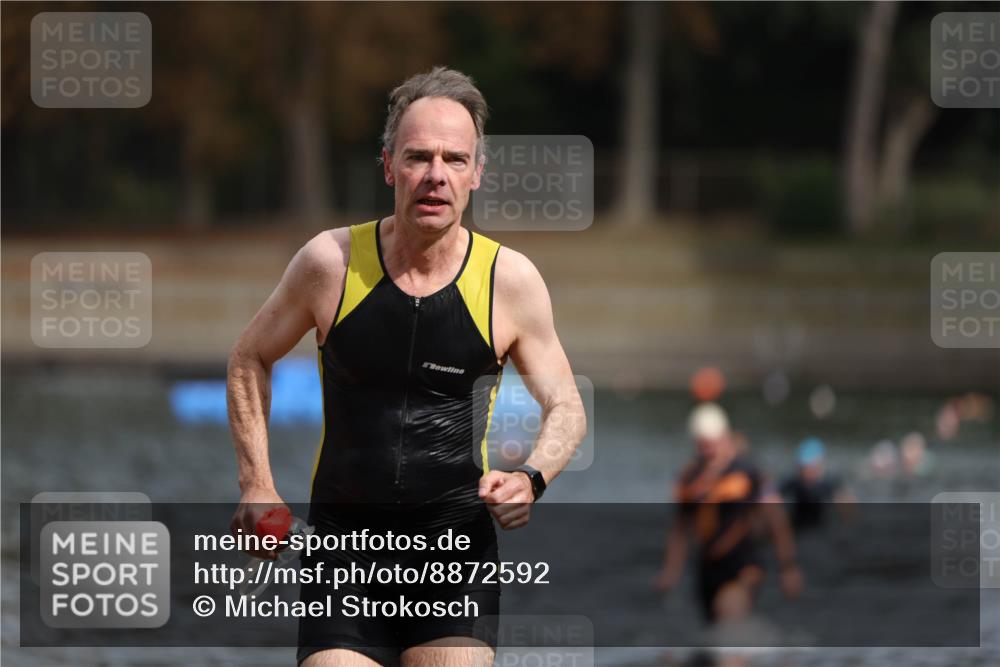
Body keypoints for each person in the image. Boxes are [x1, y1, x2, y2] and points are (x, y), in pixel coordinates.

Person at [227, 67, 586, 667]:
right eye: (419, 157)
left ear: (477, 174)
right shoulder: (330, 262)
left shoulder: (509, 281)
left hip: (455, 553)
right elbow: (249, 357)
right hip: (343, 553)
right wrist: (256, 481)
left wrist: (533, 478)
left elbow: (567, 406)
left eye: (454, 159)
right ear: (389, 166)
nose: (436, 176)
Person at [655, 403, 802, 624]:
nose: (709, 451)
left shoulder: (748, 472)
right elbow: (680, 528)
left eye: (713, 444)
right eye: (703, 445)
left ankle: (737, 656)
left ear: (725, 437)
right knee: (714, 632)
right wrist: (670, 570)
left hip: (742, 564)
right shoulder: (689, 478)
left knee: (730, 621)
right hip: (707, 567)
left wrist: (788, 566)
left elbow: (776, 519)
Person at [779, 437, 855, 531]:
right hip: (799, 526)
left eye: (812, 468)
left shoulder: (831, 482)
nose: (808, 472)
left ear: (820, 466)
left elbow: (850, 513)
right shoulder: (792, 481)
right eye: (804, 468)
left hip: (824, 529)